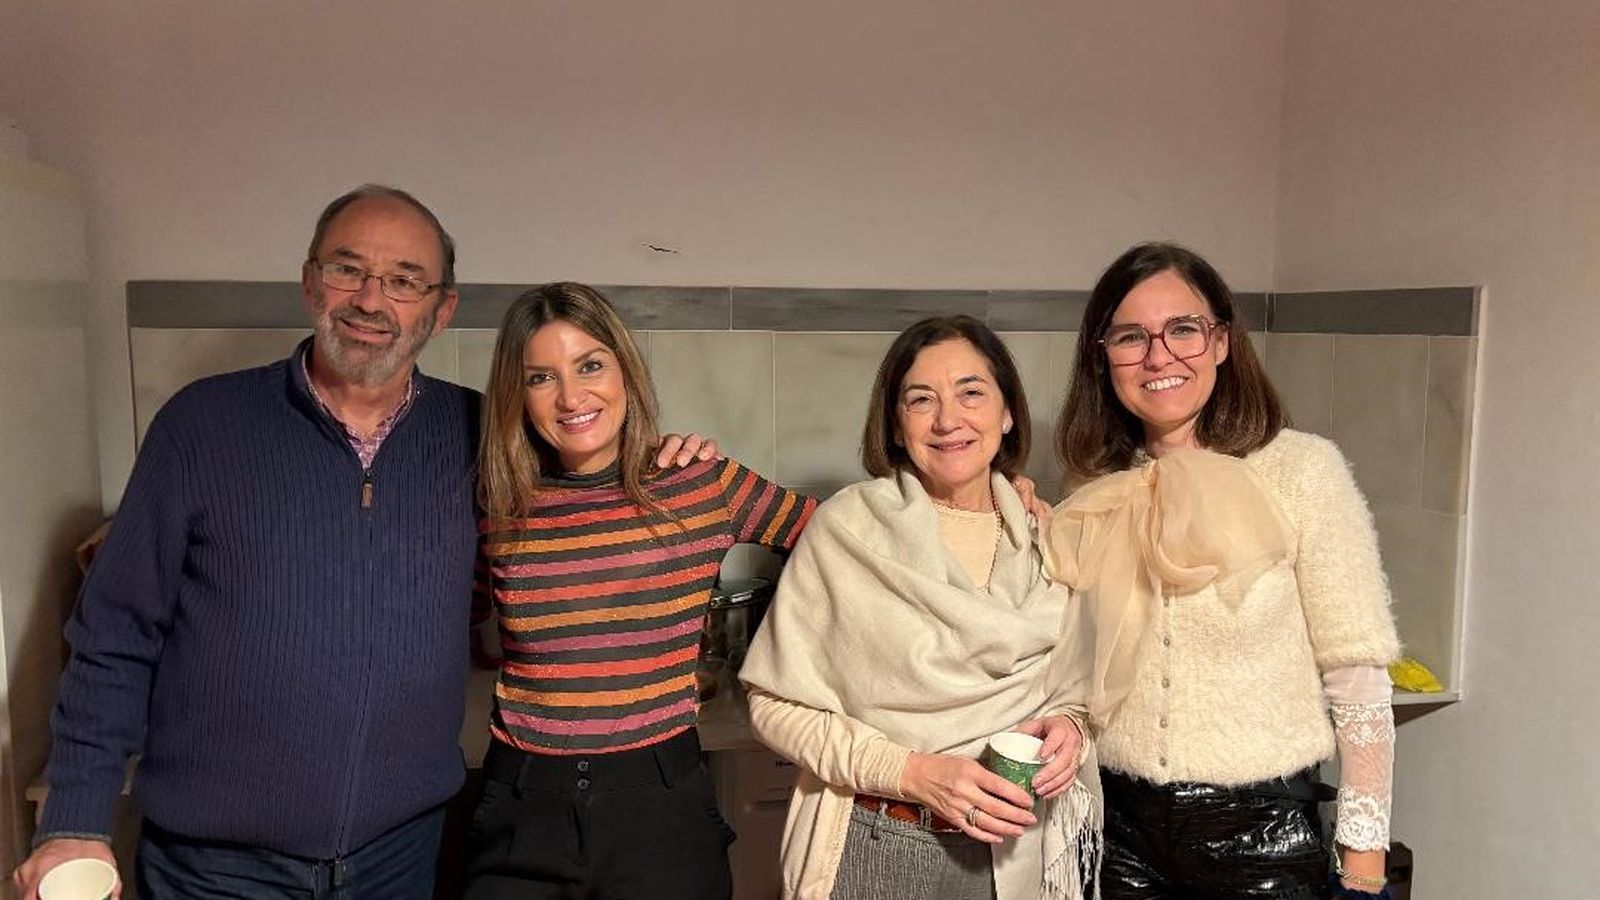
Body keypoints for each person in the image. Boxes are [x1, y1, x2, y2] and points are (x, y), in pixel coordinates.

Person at [14, 187, 714, 900]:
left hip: (400, 856)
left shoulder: (483, 438)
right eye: (348, 270)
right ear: (311, 281)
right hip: (216, 867)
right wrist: (73, 817)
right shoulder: (201, 427)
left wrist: (664, 458)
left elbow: (584, 468)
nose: (371, 300)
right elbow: (114, 634)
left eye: (405, 280)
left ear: (441, 310)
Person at [1044, 241, 1401, 900]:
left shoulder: (1303, 471)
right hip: (1116, 829)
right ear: (1103, 356)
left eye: (1183, 329)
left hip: (1261, 832)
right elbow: (1079, 662)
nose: (1158, 357)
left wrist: (1363, 864)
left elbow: (1359, 678)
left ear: (1221, 341)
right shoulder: (1093, 483)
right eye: (1130, 336)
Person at [461, 282, 817, 900]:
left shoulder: (698, 481)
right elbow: (455, 622)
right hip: (521, 807)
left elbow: (848, 540)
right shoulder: (496, 500)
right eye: (541, 377)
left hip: (657, 805)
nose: (572, 397)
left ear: (625, 368)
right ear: (518, 395)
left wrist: (986, 499)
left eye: (590, 365)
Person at [738, 315, 1101, 900]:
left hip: (1014, 856)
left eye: (972, 393)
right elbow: (773, 705)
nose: (948, 419)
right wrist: (913, 774)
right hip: (878, 842)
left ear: (1007, 414)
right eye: (921, 400)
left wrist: (1071, 731)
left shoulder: (1048, 539)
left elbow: (1078, 689)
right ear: (897, 426)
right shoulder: (847, 531)